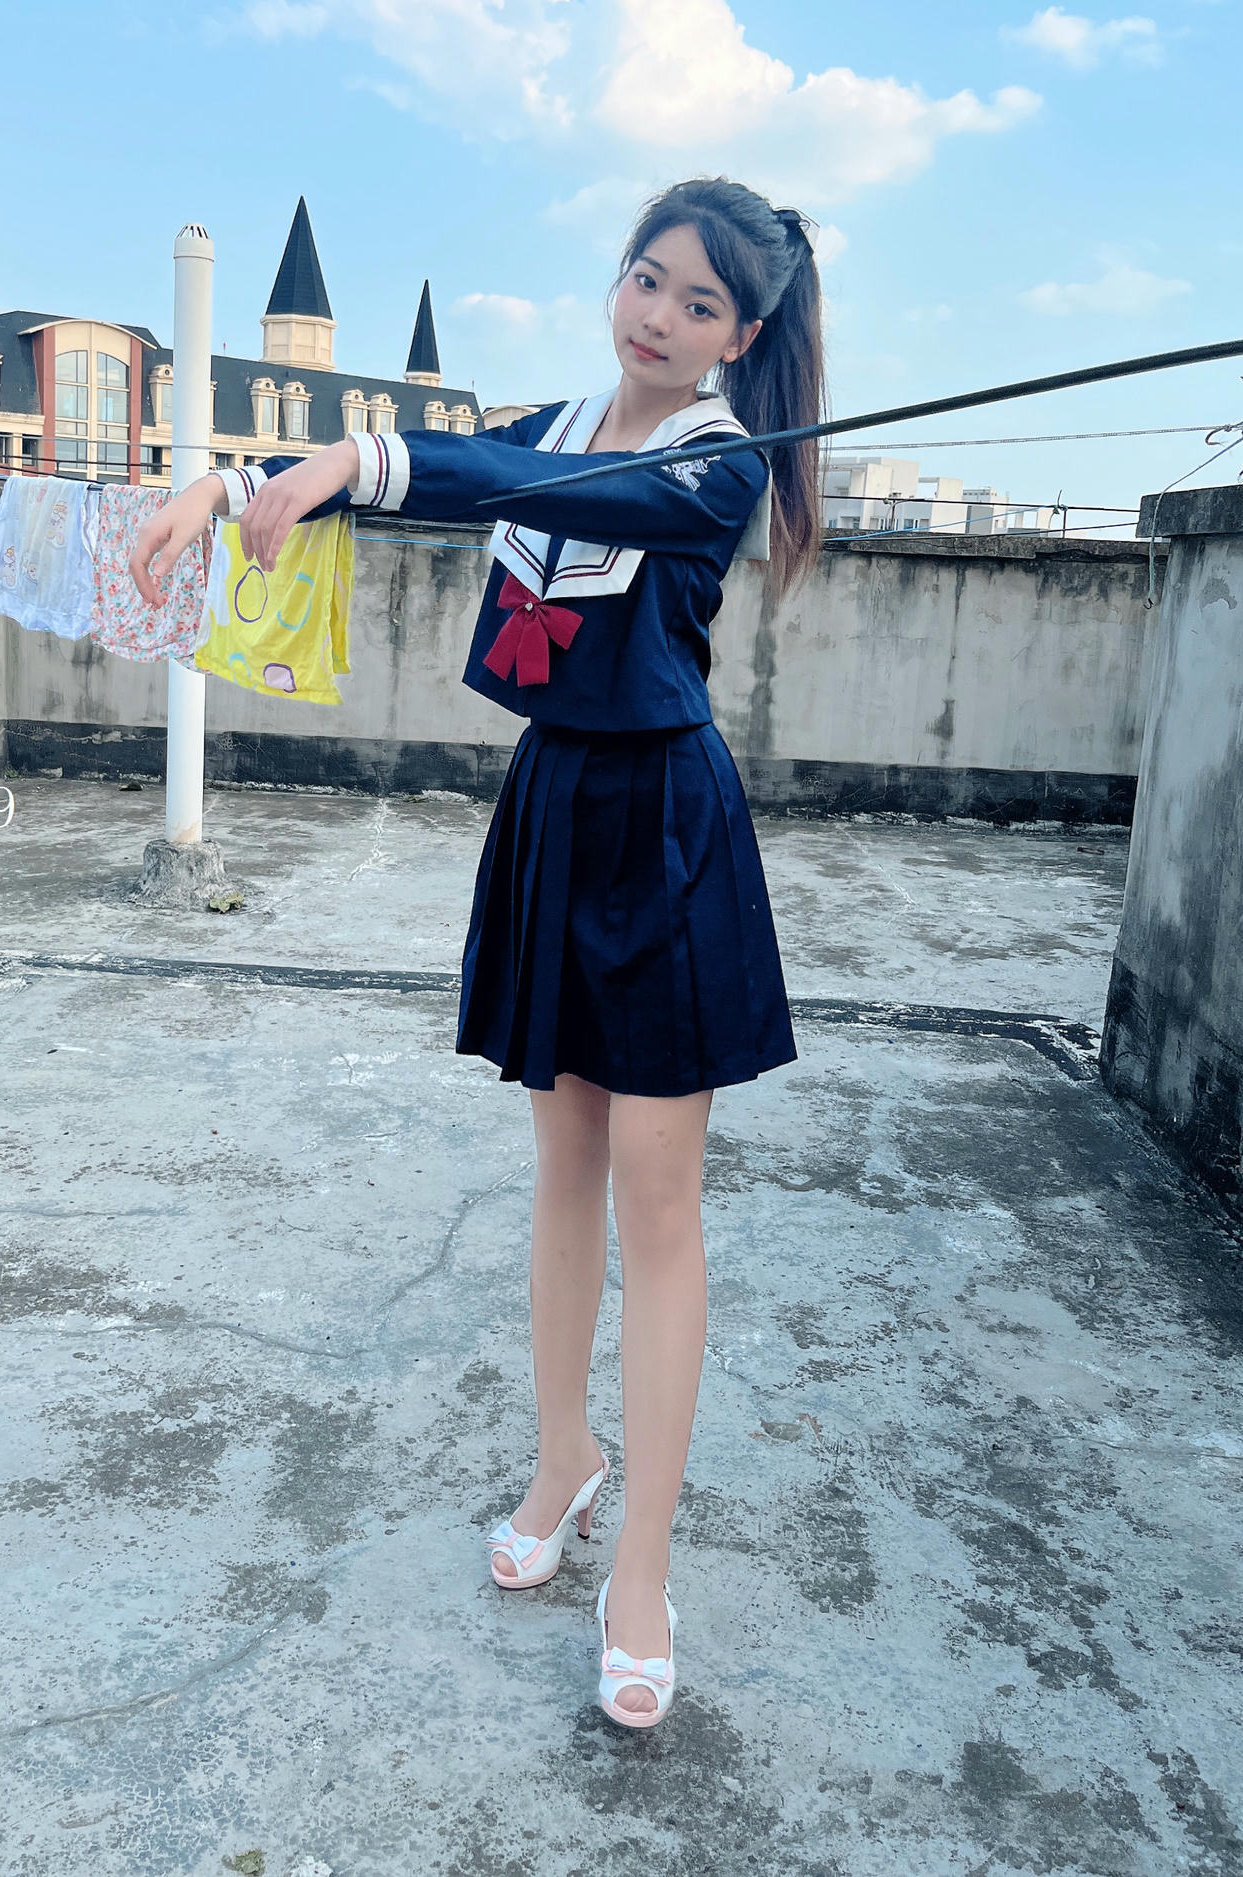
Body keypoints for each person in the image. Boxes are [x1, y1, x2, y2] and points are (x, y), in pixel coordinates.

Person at [129, 175, 824, 1729]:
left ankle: (641, 1562)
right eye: (646, 278)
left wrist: (348, 460)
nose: (659, 316)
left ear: (741, 335)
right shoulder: (565, 417)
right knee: (561, 1166)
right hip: (557, 805)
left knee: (659, 1205)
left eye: (700, 303)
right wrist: (242, 483)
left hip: (666, 829)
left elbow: (518, 485)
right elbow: (453, 467)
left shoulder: (718, 465)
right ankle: (564, 1455)